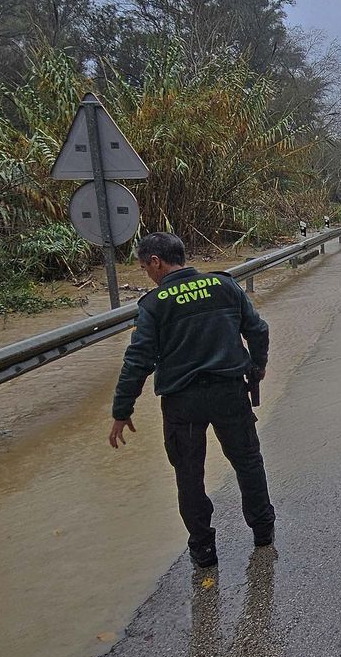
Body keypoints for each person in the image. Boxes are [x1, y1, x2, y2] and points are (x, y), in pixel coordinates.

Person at [110, 232, 275, 567]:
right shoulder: (225, 286)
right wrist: (256, 368)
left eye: (145, 268)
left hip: (182, 402)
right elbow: (258, 330)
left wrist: (122, 409)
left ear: (156, 261)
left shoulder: (154, 305)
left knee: (189, 474)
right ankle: (263, 532)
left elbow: (138, 360)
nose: (147, 274)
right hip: (230, 392)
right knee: (247, 461)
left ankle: (203, 549)